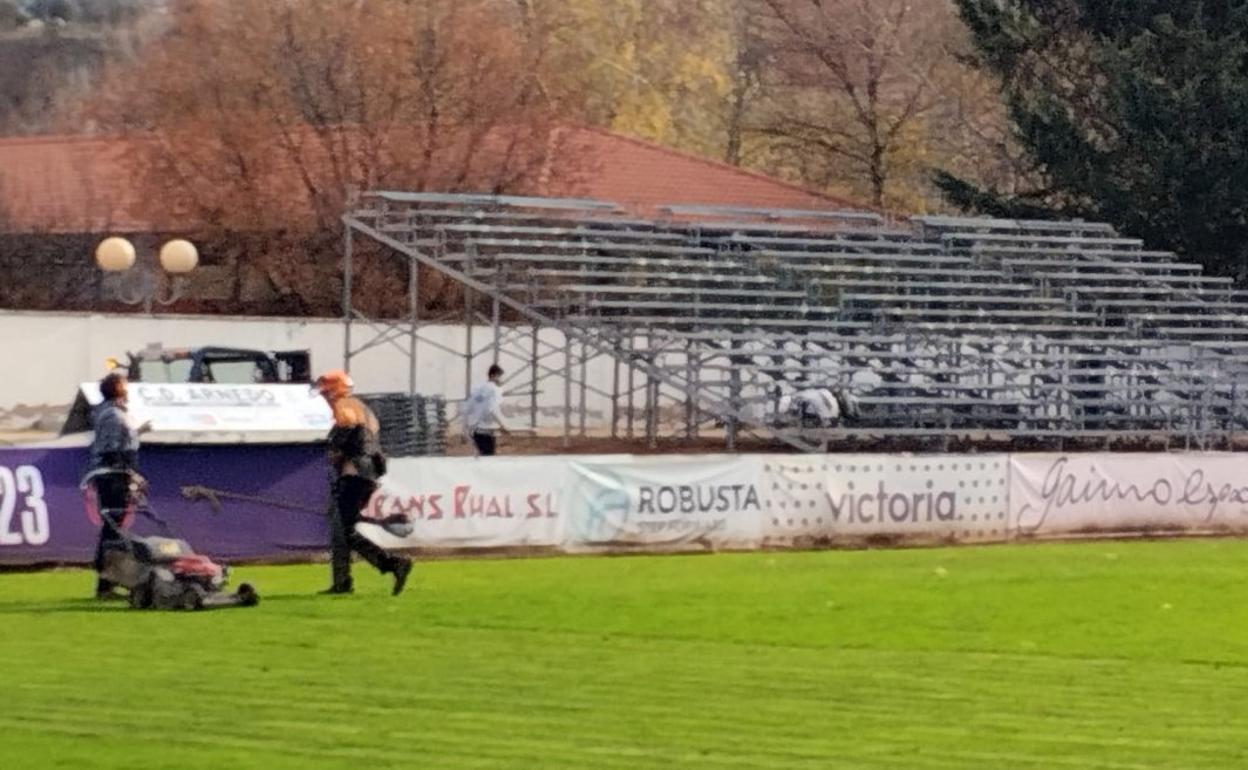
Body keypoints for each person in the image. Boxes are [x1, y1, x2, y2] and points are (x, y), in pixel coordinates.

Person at [314, 369, 412, 596]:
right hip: (366, 474)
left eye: (325, 391)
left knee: (343, 531)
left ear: (334, 391)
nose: (323, 396)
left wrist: (332, 450)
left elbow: (344, 439)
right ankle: (342, 582)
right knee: (341, 529)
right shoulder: (360, 406)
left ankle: (392, 563)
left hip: (354, 475)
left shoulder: (344, 408)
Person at [86, 372, 151, 600]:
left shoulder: (108, 412)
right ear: (117, 389)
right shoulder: (114, 415)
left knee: (112, 528)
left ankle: (106, 581)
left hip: (112, 476)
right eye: (124, 384)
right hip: (114, 478)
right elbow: (115, 450)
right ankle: (105, 583)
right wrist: (131, 474)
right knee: (113, 529)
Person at [463, 364, 511, 456]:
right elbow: (491, 410)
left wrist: (465, 427)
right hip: (486, 431)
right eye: (499, 377)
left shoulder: (479, 388)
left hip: (476, 430)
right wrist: (503, 425)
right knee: (488, 459)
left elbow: (468, 407)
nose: (501, 380)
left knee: (481, 457)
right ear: (493, 376)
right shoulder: (494, 390)